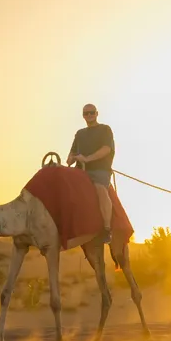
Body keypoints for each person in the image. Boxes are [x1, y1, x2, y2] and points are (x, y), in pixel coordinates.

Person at [68, 103, 115, 243]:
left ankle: (107, 229)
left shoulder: (105, 129)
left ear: (97, 113)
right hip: (80, 171)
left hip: (100, 170)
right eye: (86, 113)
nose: (89, 115)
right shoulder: (80, 133)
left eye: (91, 112)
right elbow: (72, 153)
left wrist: (87, 159)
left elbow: (106, 149)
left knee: (100, 189)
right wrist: (71, 158)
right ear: (83, 116)